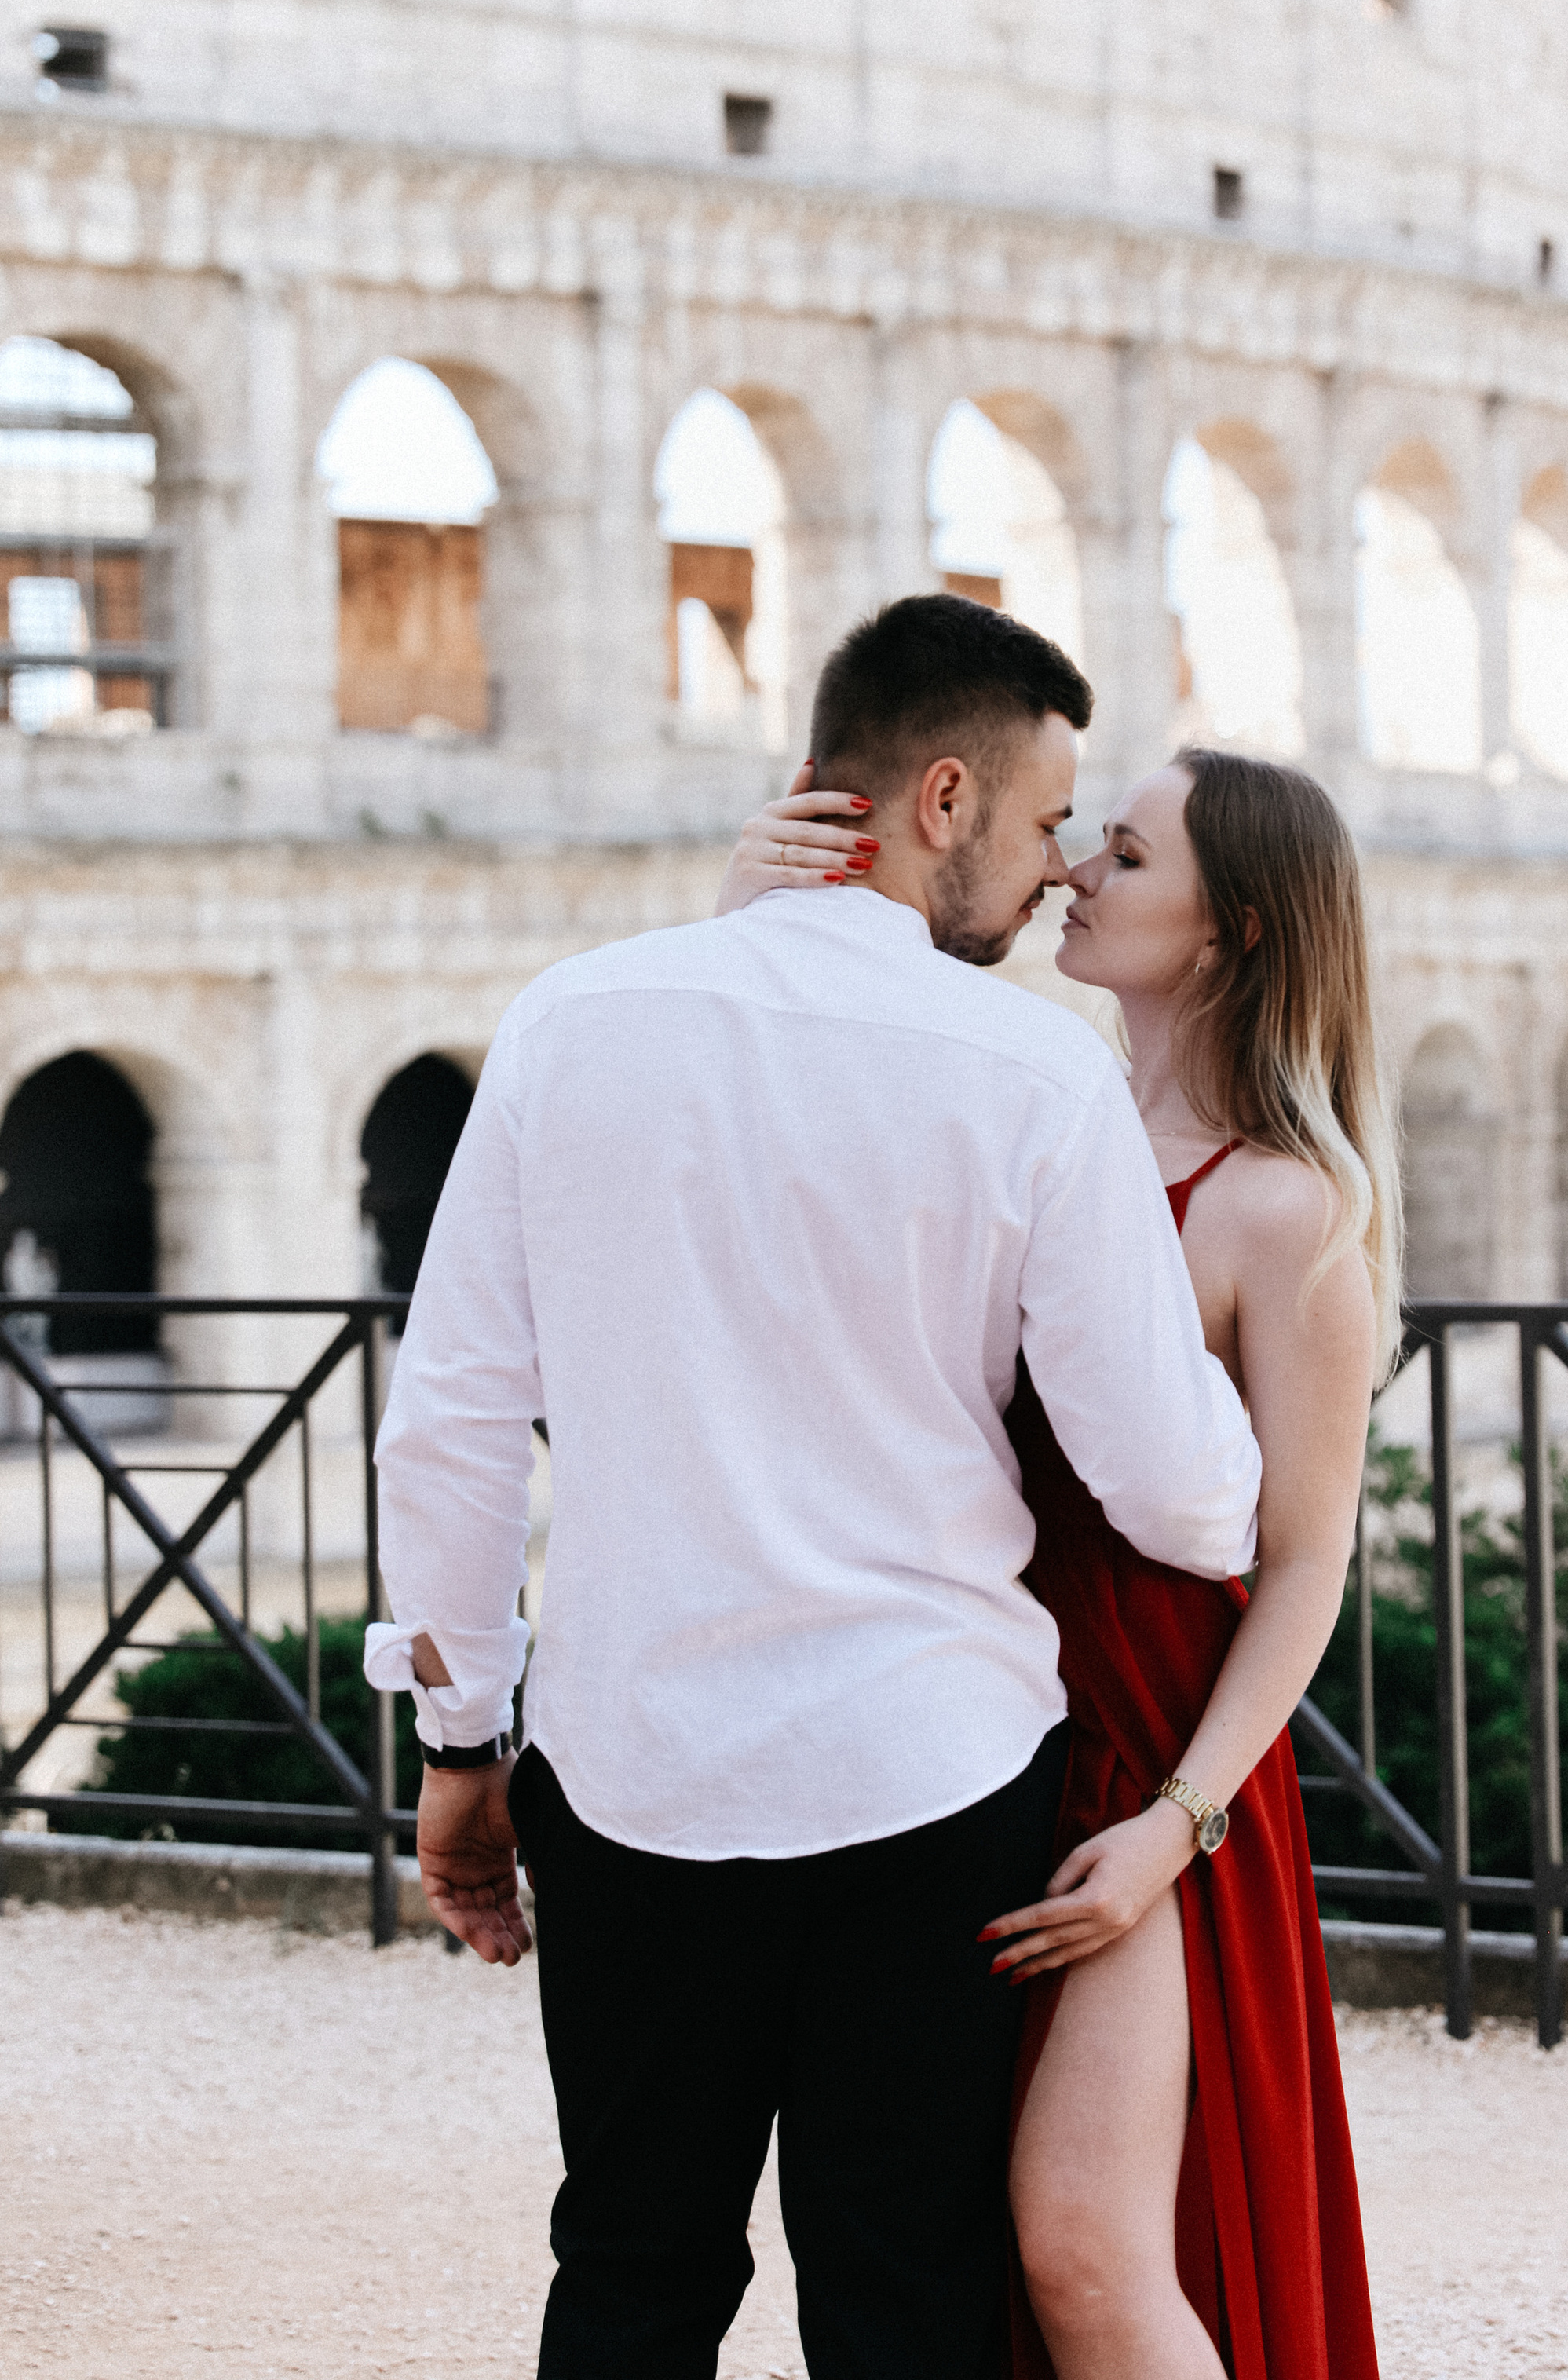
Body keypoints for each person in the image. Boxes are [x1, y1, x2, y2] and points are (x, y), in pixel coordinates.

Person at [360, 594, 1263, 2380]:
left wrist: (460, 1752)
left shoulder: (570, 1020)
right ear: (940, 800)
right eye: (1035, 824)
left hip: (630, 1768)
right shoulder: (1032, 1078)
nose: (1050, 869)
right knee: (903, 2290)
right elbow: (1177, 1493)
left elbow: (452, 1417)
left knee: (627, 2264)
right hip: (928, 1776)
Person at [725, 738, 1394, 2377]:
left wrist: (1178, 1822)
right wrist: (747, 913)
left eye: (1131, 856)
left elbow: (1304, 1563)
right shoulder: (1027, 1100)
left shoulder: (1284, 1212)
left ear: (1234, 927)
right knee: (943, 2241)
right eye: (1085, 839)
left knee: (1084, 2247)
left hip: (1149, 1759)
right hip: (955, 1721)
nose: (1078, 869)